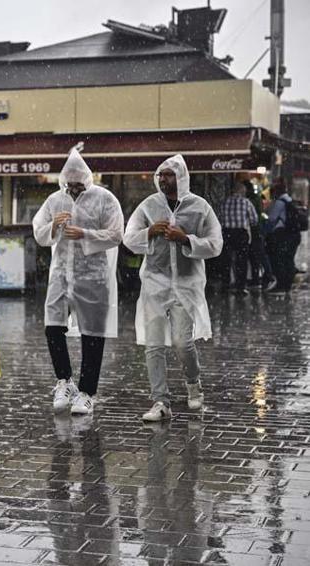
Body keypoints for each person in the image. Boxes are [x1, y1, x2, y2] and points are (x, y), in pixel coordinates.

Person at [122, 155, 223, 421]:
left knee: (181, 342)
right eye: (161, 175)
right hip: (155, 283)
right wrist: (150, 232)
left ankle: (193, 382)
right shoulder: (148, 206)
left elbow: (216, 243)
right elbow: (129, 237)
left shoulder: (200, 207)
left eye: (168, 175)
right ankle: (160, 402)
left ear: (181, 177)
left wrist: (186, 239)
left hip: (187, 284)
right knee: (154, 344)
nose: (163, 179)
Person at [32, 149, 124, 416]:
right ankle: (65, 380)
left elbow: (116, 234)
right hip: (61, 273)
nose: (73, 190)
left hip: (93, 276)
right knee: (53, 327)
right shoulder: (54, 200)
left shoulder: (105, 199)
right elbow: (38, 230)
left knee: (92, 335)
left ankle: (87, 393)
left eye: (77, 185)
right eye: (69, 185)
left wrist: (85, 234)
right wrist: (52, 227)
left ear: (87, 180)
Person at [218, 181, 258, 295]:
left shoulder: (224, 202)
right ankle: (240, 286)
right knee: (242, 260)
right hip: (241, 234)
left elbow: (219, 219)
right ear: (242, 191)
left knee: (226, 259)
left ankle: (225, 284)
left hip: (227, 233)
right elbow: (254, 220)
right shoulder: (246, 202)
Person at [265, 179, 301, 294]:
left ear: (277, 192)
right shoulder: (290, 200)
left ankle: (281, 285)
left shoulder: (280, 202)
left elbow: (271, 219)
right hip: (294, 235)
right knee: (288, 260)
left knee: (280, 260)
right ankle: (287, 285)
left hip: (284, 235)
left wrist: (265, 231)